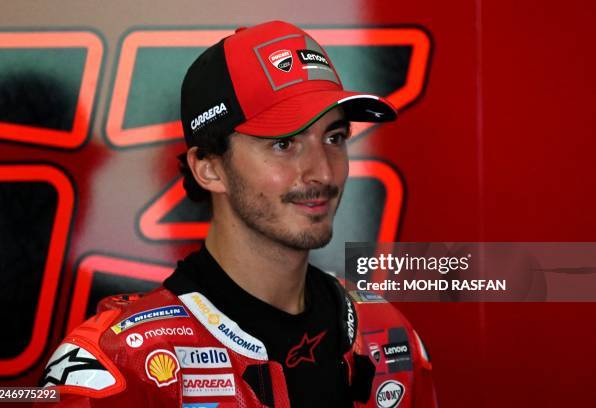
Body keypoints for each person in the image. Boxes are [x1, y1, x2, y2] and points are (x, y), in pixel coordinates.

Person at [40, 20, 437, 407]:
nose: (323, 171)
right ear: (209, 168)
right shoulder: (117, 366)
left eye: (334, 138)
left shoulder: (388, 335)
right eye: (284, 144)